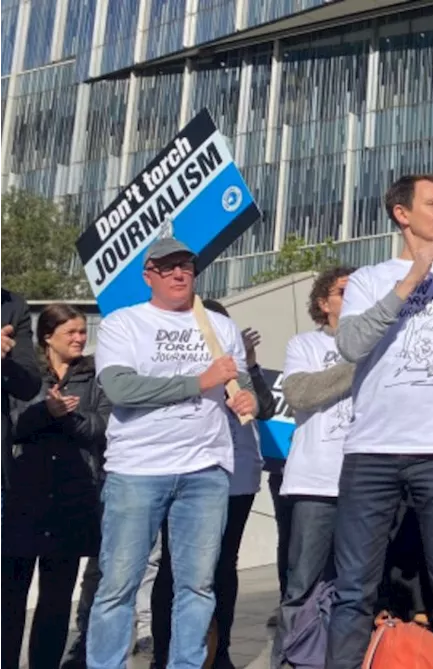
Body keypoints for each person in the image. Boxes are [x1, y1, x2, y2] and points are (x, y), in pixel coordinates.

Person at [327, 174, 433, 668]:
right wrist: (412, 277)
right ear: (403, 214)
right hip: (372, 452)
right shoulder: (367, 279)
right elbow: (352, 344)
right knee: (354, 588)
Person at [86, 237, 256, 669]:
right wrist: (198, 383)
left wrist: (247, 399)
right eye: (168, 267)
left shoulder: (221, 327)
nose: (180, 274)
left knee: (197, 587)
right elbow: (121, 389)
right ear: (149, 276)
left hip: (206, 470)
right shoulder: (123, 324)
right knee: (118, 586)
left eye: (187, 266)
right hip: (137, 470)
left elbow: (241, 383)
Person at [148, 299, 276, 669]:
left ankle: (219, 652)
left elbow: (262, 408)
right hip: (186, 470)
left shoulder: (236, 362)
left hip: (237, 475)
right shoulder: (180, 361)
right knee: (175, 565)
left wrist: (248, 367)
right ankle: (165, 653)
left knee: (224, 566)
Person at [0, 305, 107, 669]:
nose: (80, 339)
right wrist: (47, 412)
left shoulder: (95, 375)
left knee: (56, 602)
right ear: (47, 337)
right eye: (71, 333)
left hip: (73, 498)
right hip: (25, 498)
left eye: (82, 332)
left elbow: (102, 426)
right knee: (10, 600)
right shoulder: (28, 375)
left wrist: (69, 417)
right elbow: (14, 425)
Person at [271, 266, 357, 668]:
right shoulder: (304, 344)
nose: (354, 296)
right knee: (302, 584)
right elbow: (300, 393)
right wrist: (360, 366)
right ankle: (288, 661)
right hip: (316, 483)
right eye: (344, 291)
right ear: (323, 303)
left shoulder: (383, 342)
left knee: (356, 588)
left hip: (366, 484)